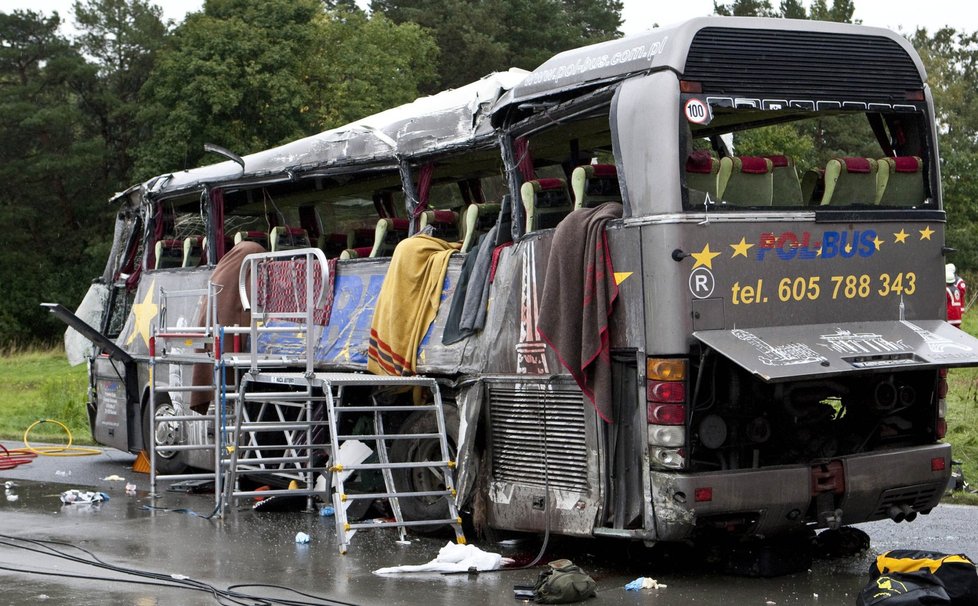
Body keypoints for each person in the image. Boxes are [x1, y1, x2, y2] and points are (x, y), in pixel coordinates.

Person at [946, 263, 966, 329]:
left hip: (954, 310)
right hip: (956, 310)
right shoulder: (955, 287)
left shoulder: (959, 281)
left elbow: (962, 292)